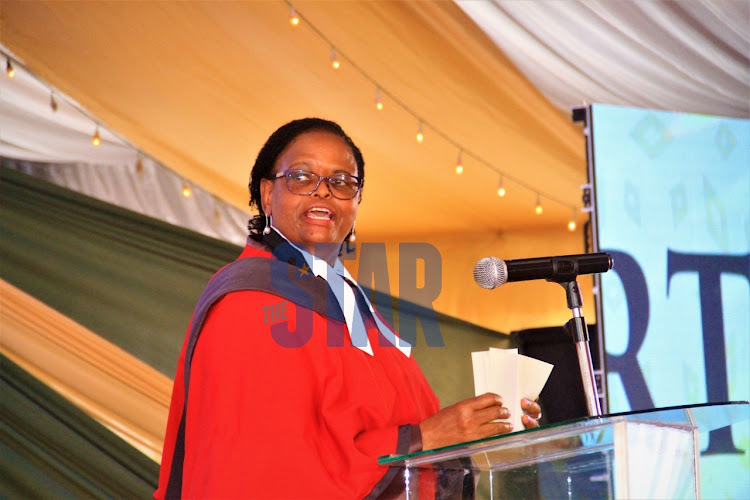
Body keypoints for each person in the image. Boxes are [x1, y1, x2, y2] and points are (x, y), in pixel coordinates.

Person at [155, 118, 541, 499]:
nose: (323, 192)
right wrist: (428, 437)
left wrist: (482, 425)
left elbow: (400, 423)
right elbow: (273, 467)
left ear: (356, 202)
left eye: (342, 182)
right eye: (303, 177)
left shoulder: (346, 299)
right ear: (268, 193)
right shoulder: (248, 304)